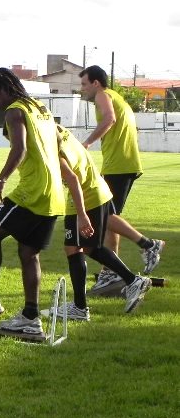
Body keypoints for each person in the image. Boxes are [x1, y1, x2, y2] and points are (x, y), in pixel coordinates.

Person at [0, 68, 65, 334]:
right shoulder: (40, 108)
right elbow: (58, 142)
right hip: (54, 193)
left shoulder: (15, 111)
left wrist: (1, 179)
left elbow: (19, 149)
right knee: (29, 252)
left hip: (32, 192)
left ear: (6, 88)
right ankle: (31, 316)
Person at [40, 125, 152, 320]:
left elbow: (73, 180)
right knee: (87, 247)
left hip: (86, 197)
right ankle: (130, 282)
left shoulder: (52, 149)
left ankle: (82, 307)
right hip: (97, 190)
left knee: (74, 248)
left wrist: (82, 215)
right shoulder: (61, 132)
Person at [80, 65, 164, 294]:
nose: (82, 89)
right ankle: (110, 271)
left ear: (96, 83)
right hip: (123, 163)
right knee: (110, 217)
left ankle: (148, 244)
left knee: (103, 215)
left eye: (84, 83)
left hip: (119, 165)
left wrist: (87, 143)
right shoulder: (116, 96)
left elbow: (109, 119)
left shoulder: (102, 95)